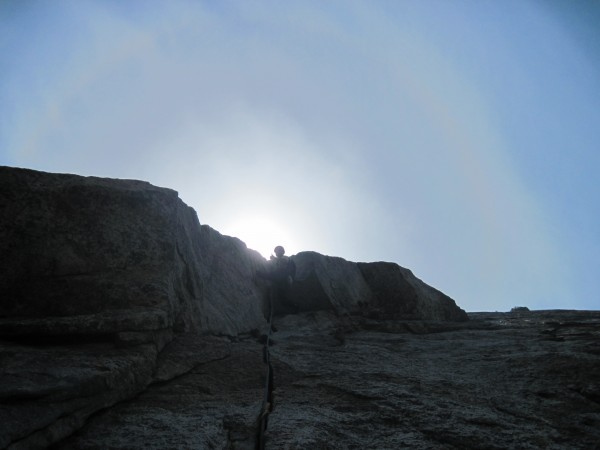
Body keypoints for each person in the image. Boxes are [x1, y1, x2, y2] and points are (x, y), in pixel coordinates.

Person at [256, 245, 296, 320]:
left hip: (285, 279)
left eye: (279, 251)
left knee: (284, 296)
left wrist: (274, 259)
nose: (277, 253)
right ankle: (290, 310)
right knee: (281, 296)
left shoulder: (286, 259)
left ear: (282, 252)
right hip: (282, 279)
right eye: (276, 252)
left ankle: (292, 310)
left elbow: (282, 267)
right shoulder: (279, 260)